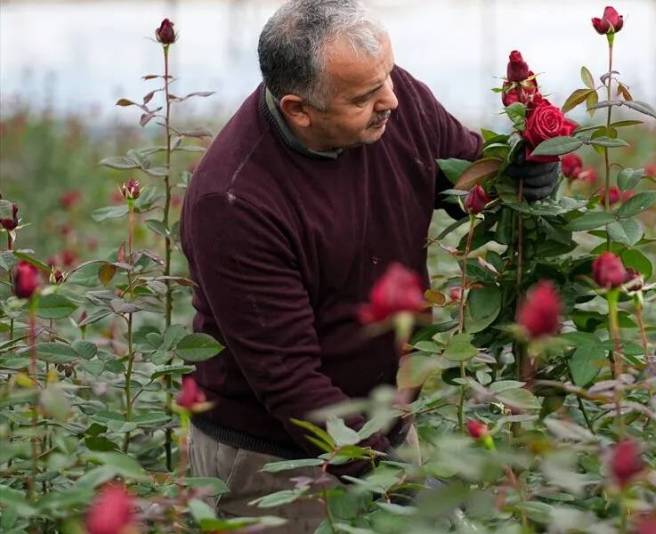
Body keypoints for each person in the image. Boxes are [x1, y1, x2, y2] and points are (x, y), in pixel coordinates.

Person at [180, 1, 560, 530]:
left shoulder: (390, 97)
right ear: (299, 109)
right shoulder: (235, 202)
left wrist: (516, 178)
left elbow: (463, 179)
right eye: (363, 97)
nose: (391, 100)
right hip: (278, 461)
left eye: (387, 76)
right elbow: (289, 381)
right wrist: (388, 477)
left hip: (385, 425)